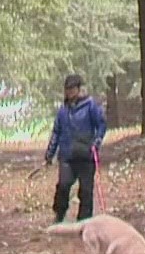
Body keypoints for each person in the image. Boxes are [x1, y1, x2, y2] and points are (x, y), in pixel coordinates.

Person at [44, 72, 107, 224]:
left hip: (86, 155)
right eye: (67, 89)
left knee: (86, 190)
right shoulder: (62, 111)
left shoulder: (90, 106)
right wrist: (49, 154)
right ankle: (59, 215)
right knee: (63, 186)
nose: (70, 92)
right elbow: (56, 133)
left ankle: (84, 221)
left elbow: (101, 124)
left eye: (73, 88)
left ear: (79, 89)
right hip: (67, 156)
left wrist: (97, 142)